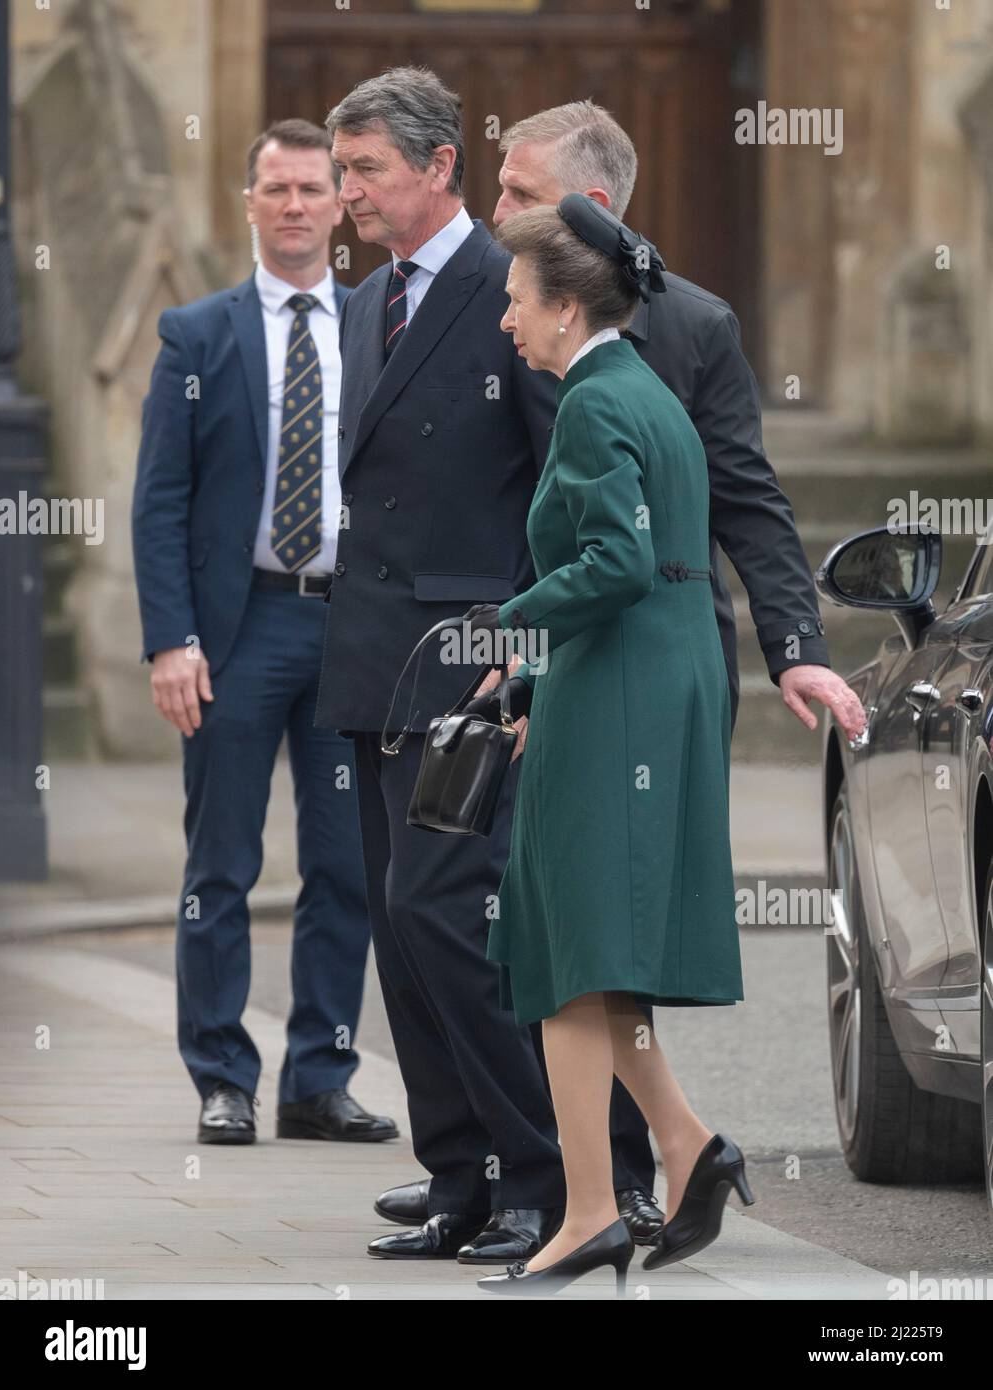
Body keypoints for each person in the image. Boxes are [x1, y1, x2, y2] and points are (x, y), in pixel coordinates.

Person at [374, 98, 866, 1240]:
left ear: (588, 214)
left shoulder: (684, 328)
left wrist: (792, 647)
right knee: (469, 914)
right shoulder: (474, 306)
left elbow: (736, 493)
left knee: (577, 932)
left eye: (517, 192)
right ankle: (501, 1170)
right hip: (510, 660)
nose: (491, 213)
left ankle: (602, 1187)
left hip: (591, 659)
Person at [312, 67, 576, 1265]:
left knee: (455, 919)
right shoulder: (367, 303)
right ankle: (455, 1174)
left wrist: (523, 651)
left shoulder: (509, 286)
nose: (347, 191)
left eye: (367, 169)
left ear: (438, 168)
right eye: (343, 169)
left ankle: (537, 1176)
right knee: (401, 930)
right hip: (374, 660)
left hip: (470, 664)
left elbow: (555, 484)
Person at [472, 194, 753, 1296]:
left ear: (564, 306)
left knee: (567, 960)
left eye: (513, 302)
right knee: (592, 956)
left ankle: (590, 1212)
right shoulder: (638, 389)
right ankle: (685, 1147)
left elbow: (619, 564)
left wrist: (508, 622)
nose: (505, 322)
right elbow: (649, 561)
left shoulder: (593, 402)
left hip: (624, 692)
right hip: (643, 677)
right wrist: (542, 667)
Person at [132, 119, 394, 1147]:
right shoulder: (196, 335)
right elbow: (159, 501)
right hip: (236, 631)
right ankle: (222, 1078)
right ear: (248, 201)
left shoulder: (378, 321)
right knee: (221, 864)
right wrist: (170, 640)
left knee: (343, 867)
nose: (293, 206)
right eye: (274, 189)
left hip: (348, 629)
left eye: (311, 189)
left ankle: (318, 1079)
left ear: (339, 205)